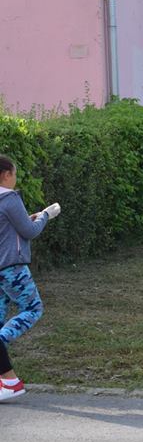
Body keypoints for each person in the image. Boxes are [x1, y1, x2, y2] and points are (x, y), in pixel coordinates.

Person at [0, 155, 60, 402]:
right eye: (14, 173)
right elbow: (29, 231)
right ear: (6, 174)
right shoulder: (9, 198)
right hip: (12, 268)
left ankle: (7, 382)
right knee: (33, 309)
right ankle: (11, 382)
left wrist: (30, 218)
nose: (15, 178)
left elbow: (13, 228)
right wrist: (45, 215)